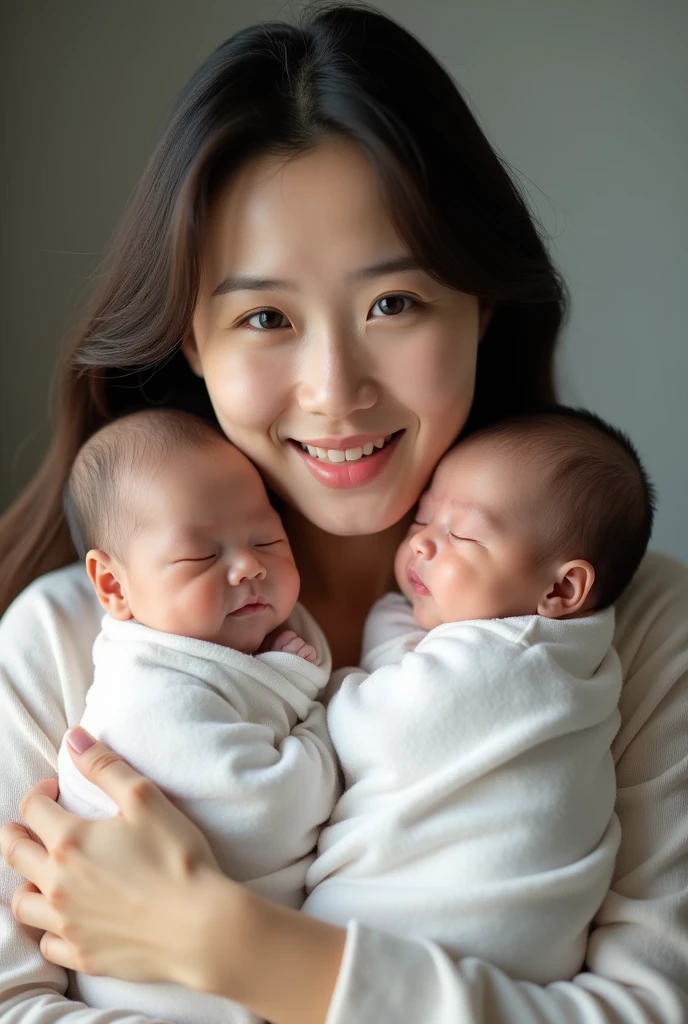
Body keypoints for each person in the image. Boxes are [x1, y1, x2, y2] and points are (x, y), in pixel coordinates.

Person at [0, 5, 687, 1024]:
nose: (333, 388)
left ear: (481, 306)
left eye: (393, 304)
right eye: (265, 318)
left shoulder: (632, 621)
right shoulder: (66, 641)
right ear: (191, 340)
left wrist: (232, 946)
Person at [304, 407, 654, 984]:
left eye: (460, 533)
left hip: (437, 928)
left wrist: (337, 683)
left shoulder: (513, 660)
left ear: (562, 589)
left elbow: (372, 730)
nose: (421, 546)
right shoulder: (575, 652)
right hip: (520, 960)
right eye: (421, 520)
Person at [56, 407, 338, 1023]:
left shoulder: (225, 652)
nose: (249, 565)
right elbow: (261, 809)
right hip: (171, 998)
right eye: (200, 558)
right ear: (114, 587)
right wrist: (320, 724)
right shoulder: (144, 690)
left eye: (267, 539)